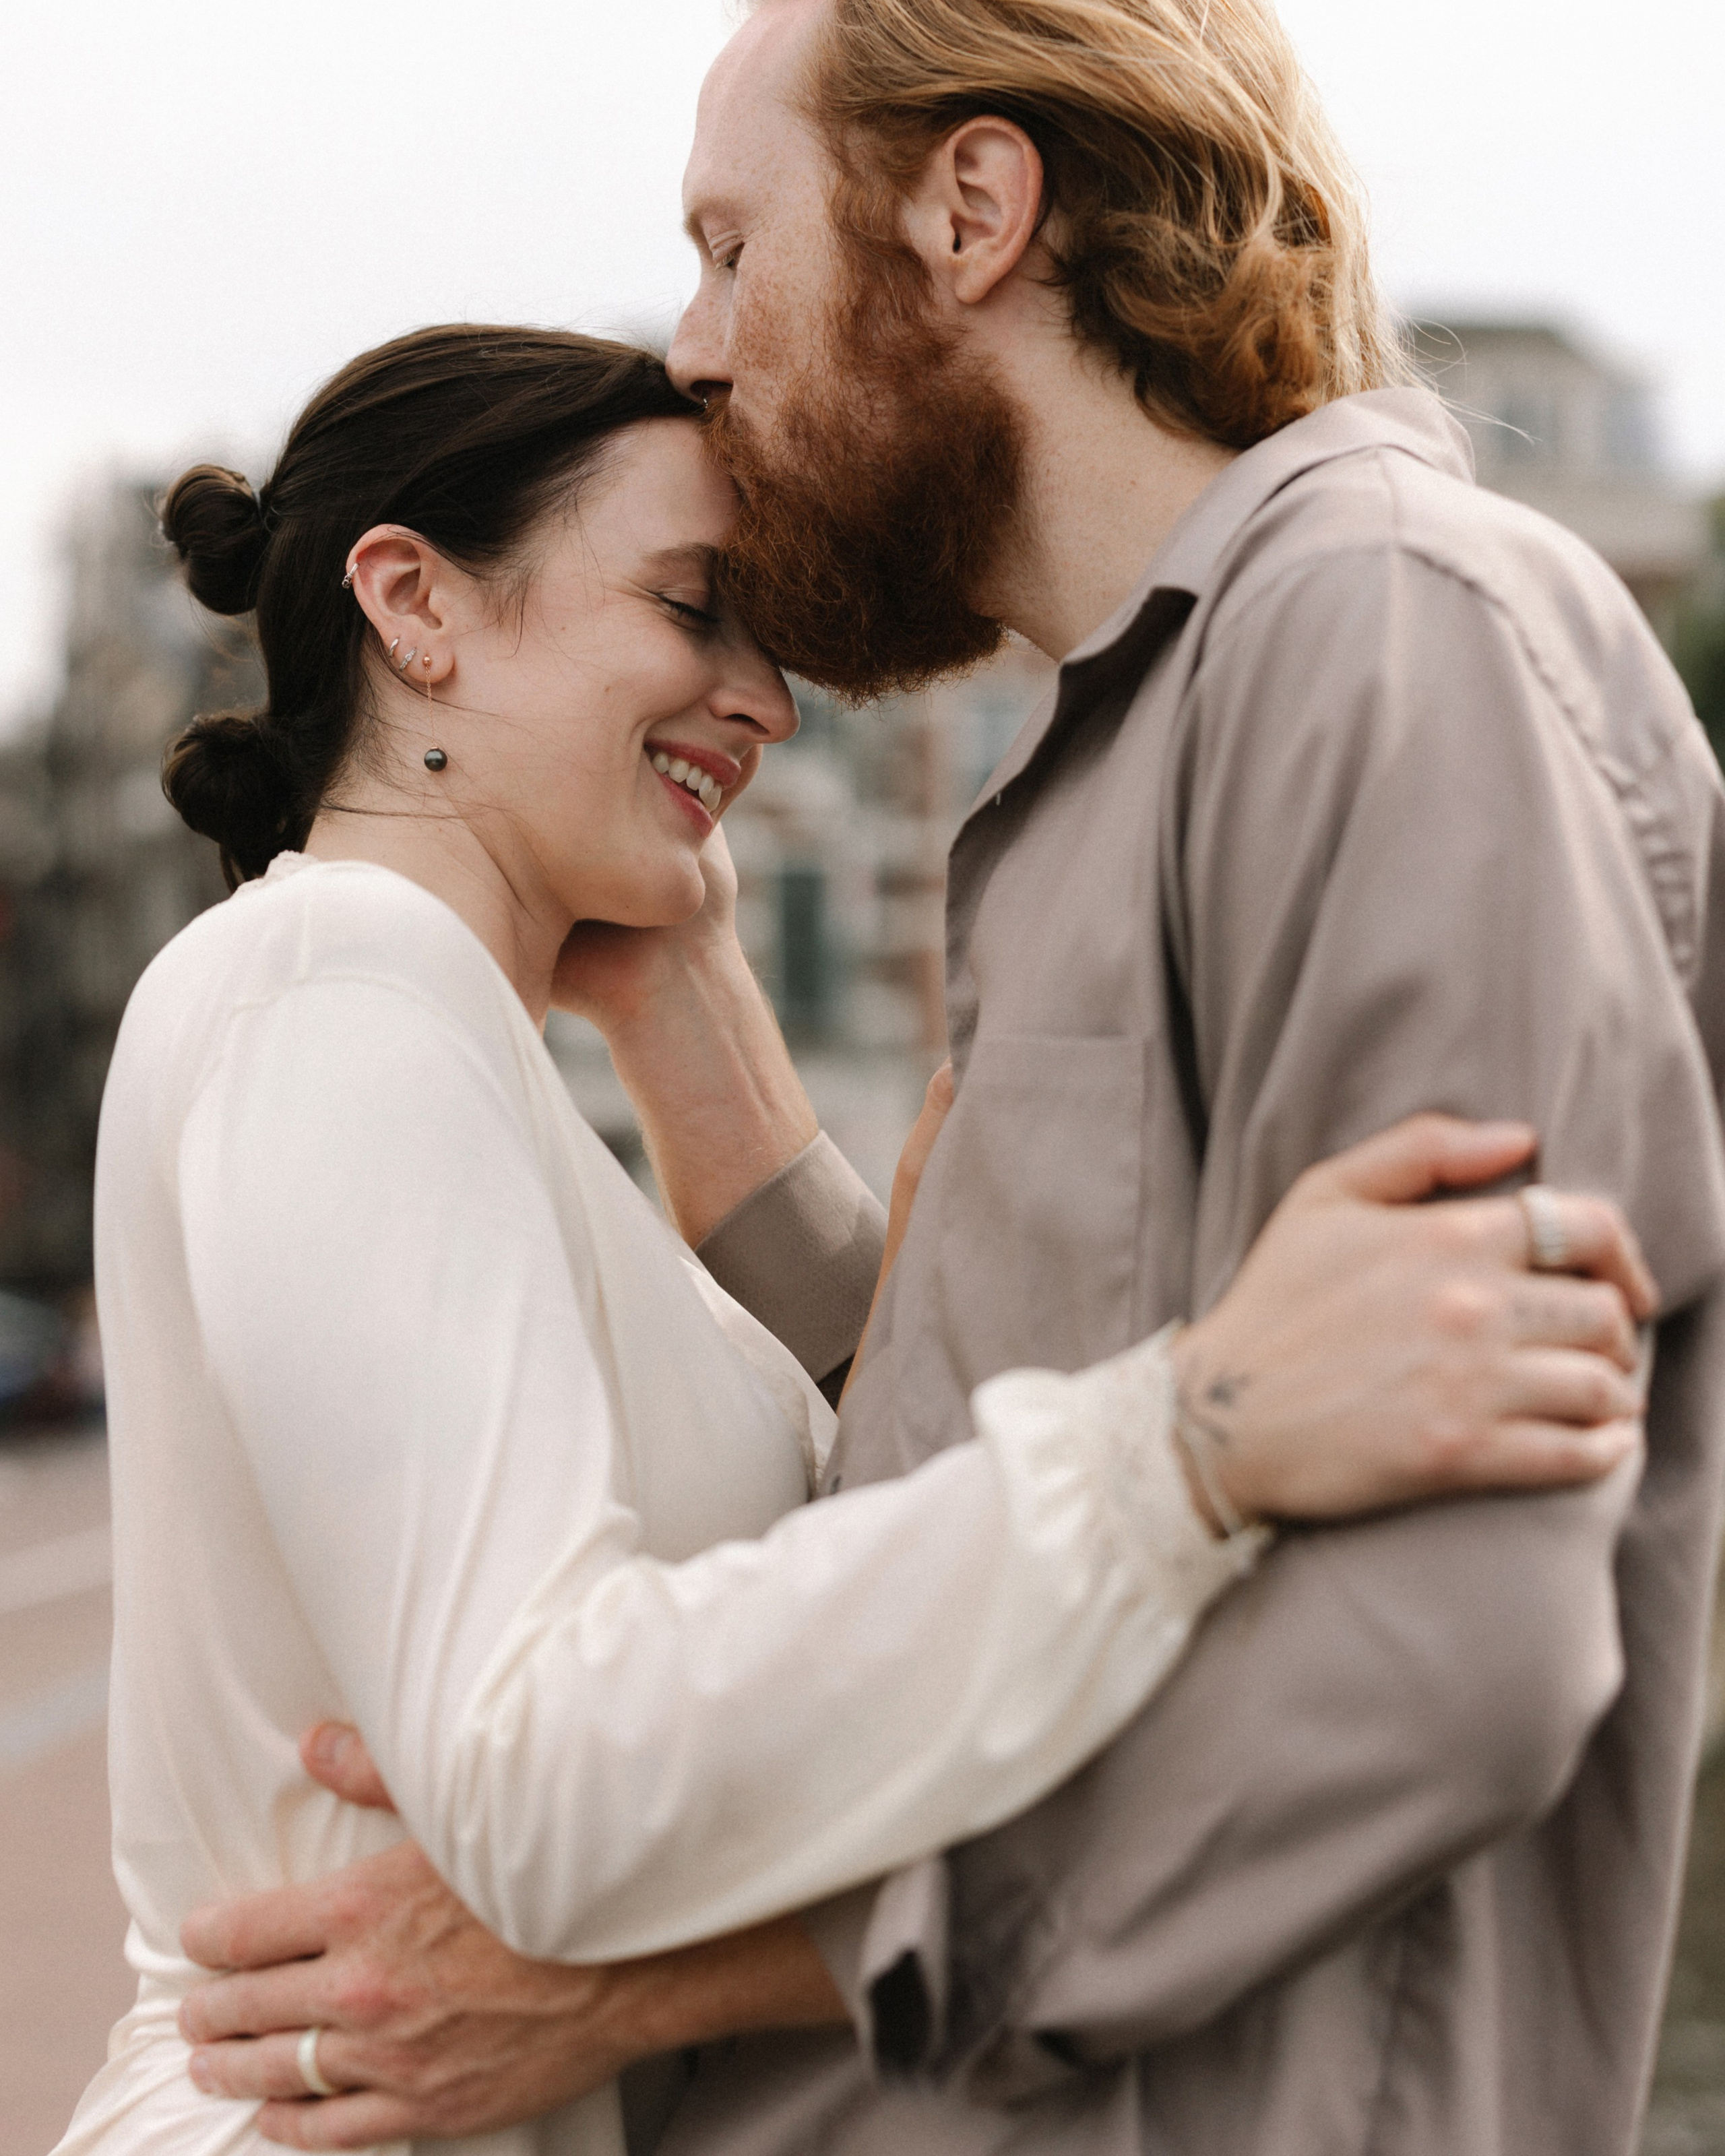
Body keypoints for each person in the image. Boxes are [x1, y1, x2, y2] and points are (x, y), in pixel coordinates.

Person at [171, 4, 1725, 2154]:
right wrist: (696, 1029)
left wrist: (624, 1988)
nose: (697, 348)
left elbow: (1439, 1661)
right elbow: (1002, 1425)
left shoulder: (1381, 636)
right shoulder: (1104, 763)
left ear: (971, 211)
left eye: (731, 246)